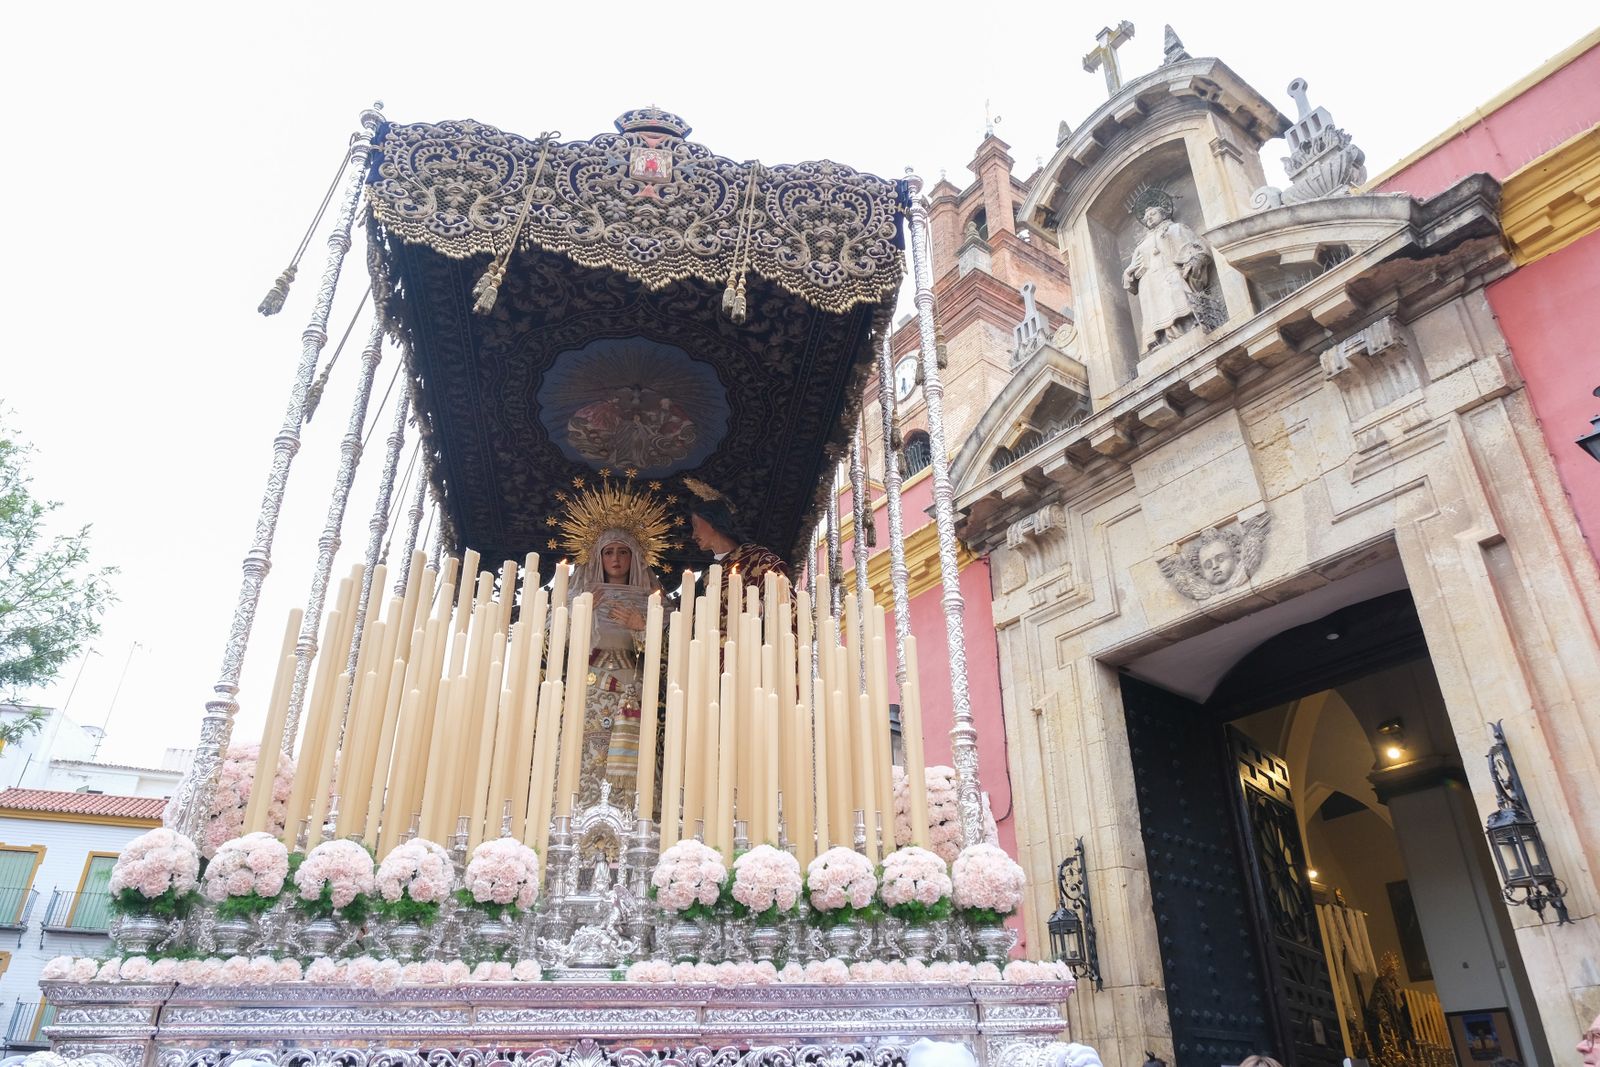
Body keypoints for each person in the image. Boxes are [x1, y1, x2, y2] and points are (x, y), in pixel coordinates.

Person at [567, 526, 661, 814]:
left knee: (636, 752)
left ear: (635, 558)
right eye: (608, 552)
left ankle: (633, 820)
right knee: (583, 748)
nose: (616, 559)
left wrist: (643, 626)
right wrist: (583, 614)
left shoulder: (654, 602)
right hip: (590, 686)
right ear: (598, 558)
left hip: (632, 687)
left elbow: (667, 652)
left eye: (623, 552)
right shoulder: (580, 598)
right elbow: (558, 645)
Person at [682, 484, 789, 627]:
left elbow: (785, 599)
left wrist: (758, 608)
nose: (693, 535)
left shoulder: (757, 559)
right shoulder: (706, 577)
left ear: (712, 521)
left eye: (695, 525)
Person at [1121, 193, 1214, 352]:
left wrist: (1194, 261)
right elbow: (1131, 282)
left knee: (1177, 296)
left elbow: (1197, 248)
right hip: (1149, 283)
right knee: (1155, 310)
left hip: (1170, 273)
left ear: (1163, 214)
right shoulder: (1141, 245)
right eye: (1146, 216)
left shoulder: (1175, 228)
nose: (1149, 218)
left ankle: (1188, 327)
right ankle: (1162, 340)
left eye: (1153, 214)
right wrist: (1127, 274)